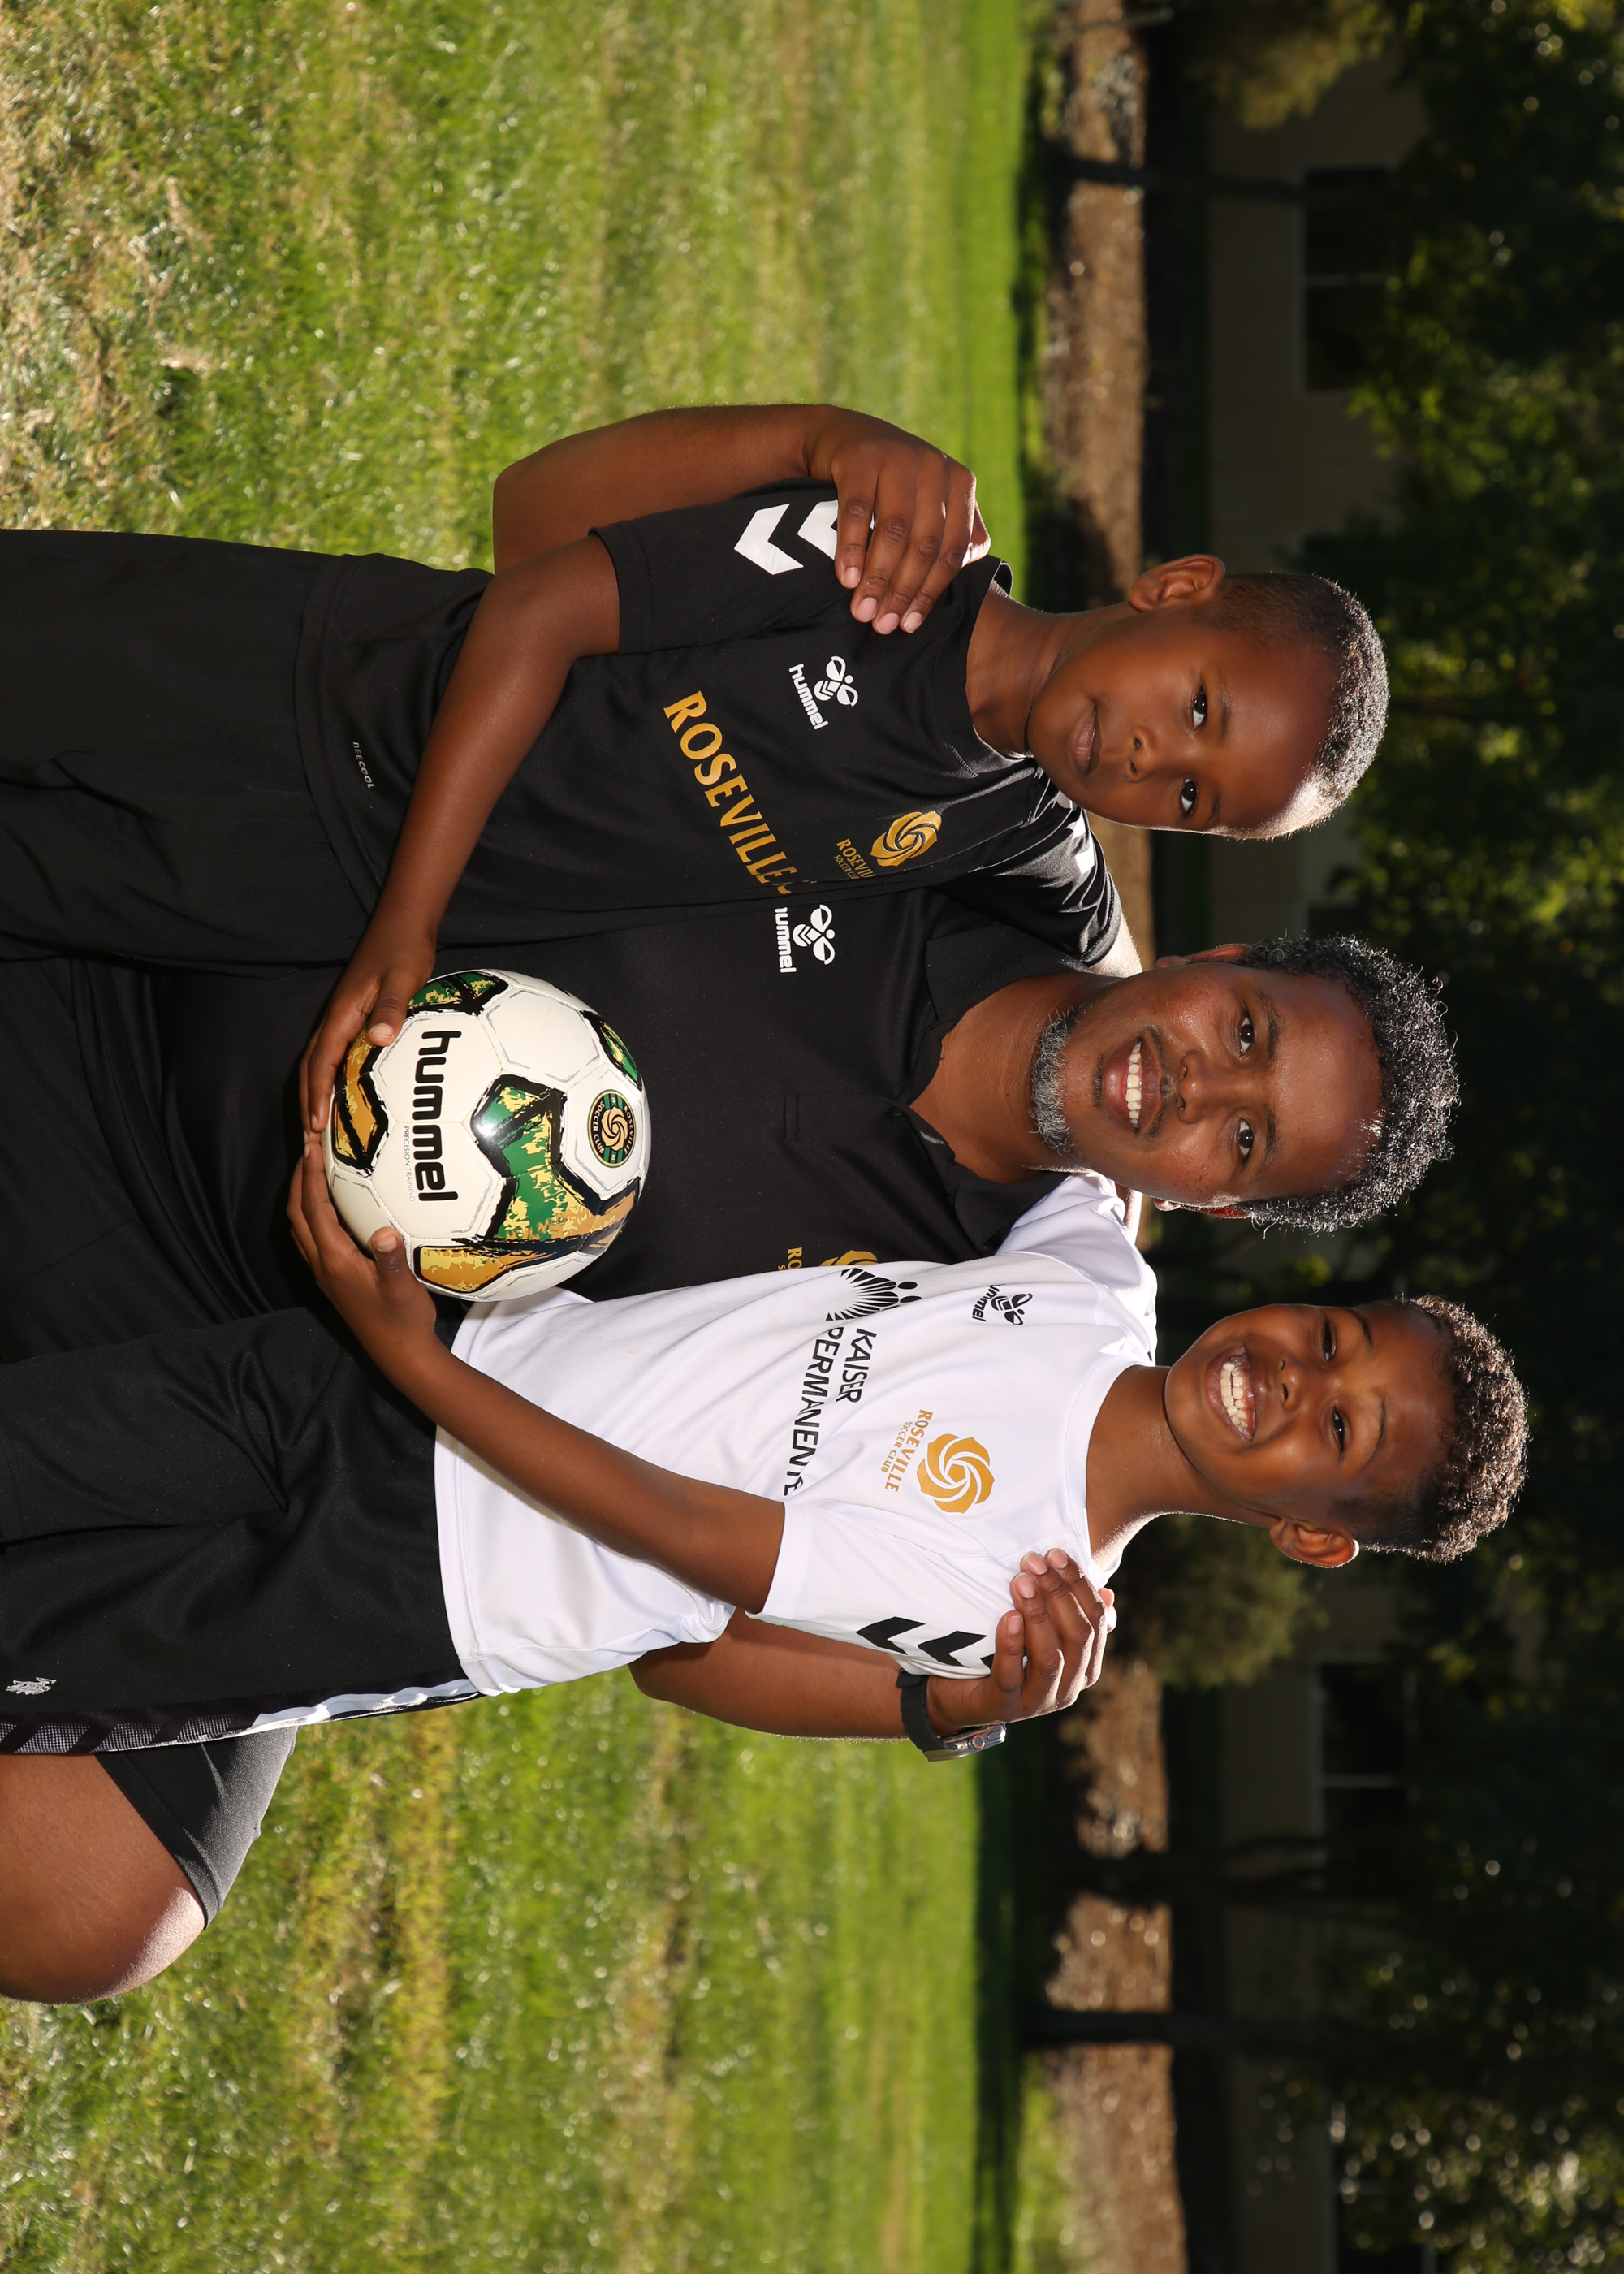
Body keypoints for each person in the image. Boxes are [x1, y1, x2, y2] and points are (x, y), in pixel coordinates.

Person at [0, 1137, 1526, 1929]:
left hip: (415, 1583)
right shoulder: (1091, 1274)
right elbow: (1088, 1049)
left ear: (1311, 1538)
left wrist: (420, 1367)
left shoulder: (1022, 1595)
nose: (1296, 1380)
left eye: (1340, 1435)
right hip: (386, 1368)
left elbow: (684, 1541)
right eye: (1335, 1338)